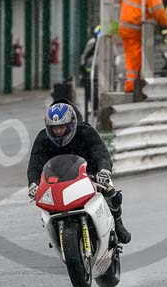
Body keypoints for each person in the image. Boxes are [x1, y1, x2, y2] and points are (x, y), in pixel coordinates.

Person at [27, 99, 131, 244]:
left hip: (91, 175)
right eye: (54, 128)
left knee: (112, 194)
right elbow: (34, 165)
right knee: (45, 207)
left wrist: (104, 170)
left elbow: (101, 152)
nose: (58, 131)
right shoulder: (43, 138)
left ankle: (118, 225)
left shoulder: (85, 131)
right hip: (58, 181)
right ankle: (55, 233)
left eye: (62, 127)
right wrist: (33, 184)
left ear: (71, 124)